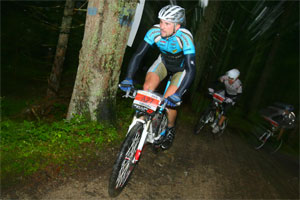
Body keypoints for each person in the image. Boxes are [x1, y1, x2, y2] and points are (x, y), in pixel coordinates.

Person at [119, 5, 196, 150]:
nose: (162, 26)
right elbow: (138, 54)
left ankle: (170, 129)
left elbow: (192, 69)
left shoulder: (185, 37)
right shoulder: (155, 31)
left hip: (181, 69)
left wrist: (178, 95)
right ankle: (140, 126)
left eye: (167, 23)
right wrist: (128, 78)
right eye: (161, 21)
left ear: (177, 26)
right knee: (147, 89)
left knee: (168, 103)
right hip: (163, 62)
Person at [209, 69, 242, 133]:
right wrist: (211, 87)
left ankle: (218, 125)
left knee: (226, 110)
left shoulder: (238, 84)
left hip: (233, 97)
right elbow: (216, 82)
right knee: (216, 100)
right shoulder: (225, 77)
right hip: (225, 92)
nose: (230, 80)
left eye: (232, 79)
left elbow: (239, 96)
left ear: (236, 78)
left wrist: (233, 100)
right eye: (229, 78)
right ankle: (212, 114)